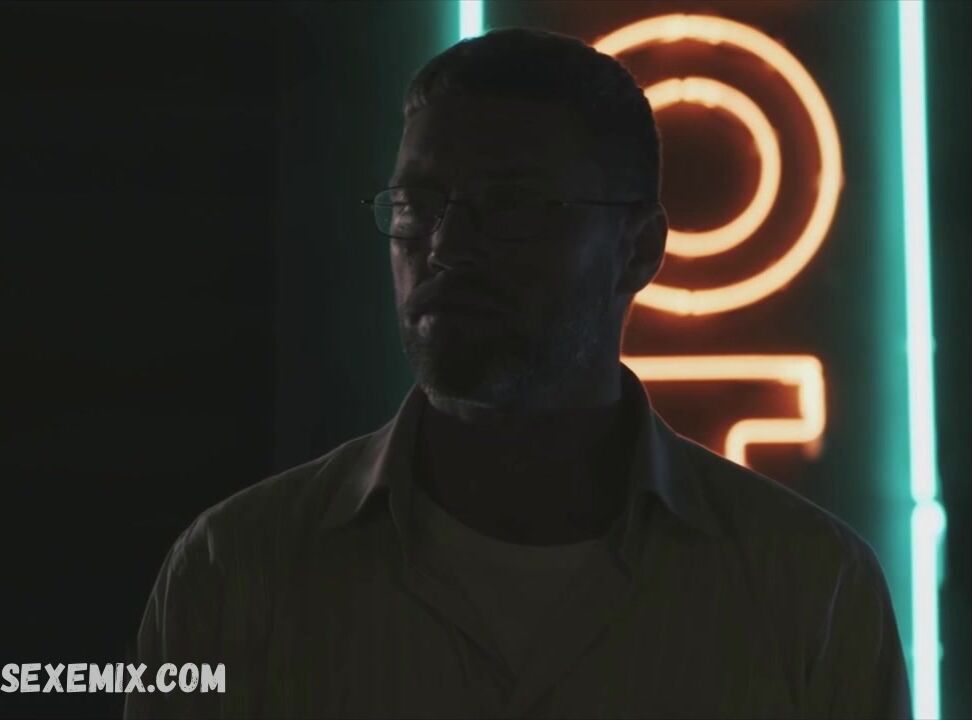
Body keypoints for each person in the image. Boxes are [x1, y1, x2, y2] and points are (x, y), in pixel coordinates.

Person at [126, 27, 910, 719]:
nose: (445, 248)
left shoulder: (807, 591)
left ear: (637, 250)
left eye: (513, 206)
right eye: (416, 204)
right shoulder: (235, 572)